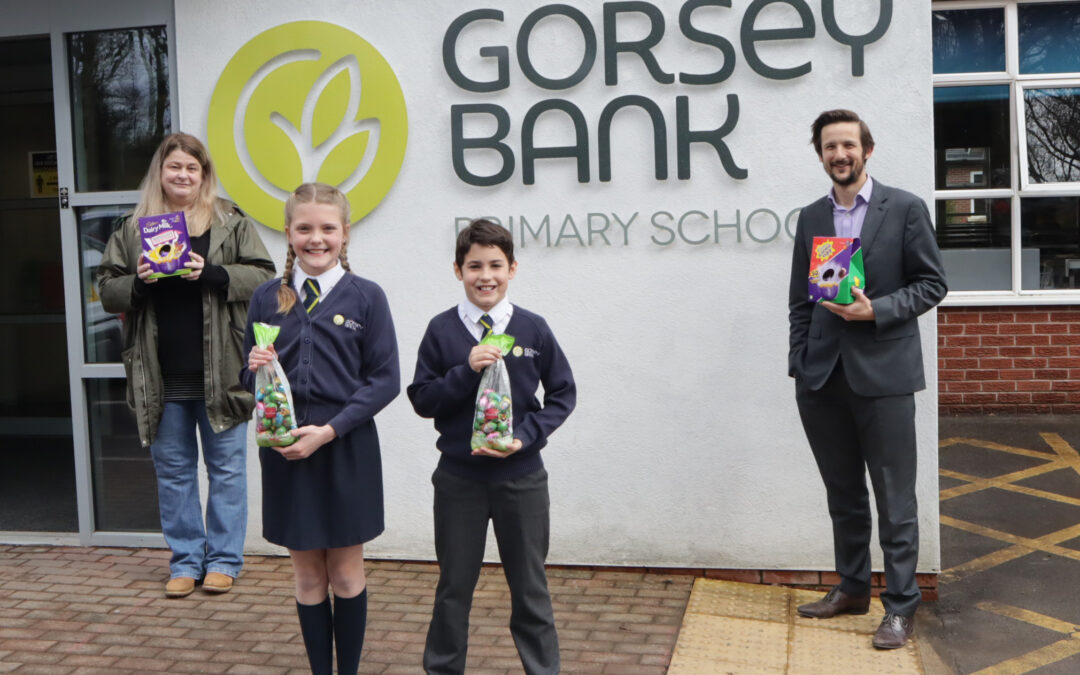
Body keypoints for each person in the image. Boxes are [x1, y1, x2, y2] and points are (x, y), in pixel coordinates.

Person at [788, 110, 948, 649]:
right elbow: (799, 302)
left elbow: (931, 285)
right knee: (844, 495)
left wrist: (875, 310)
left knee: (894, 499)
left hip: (884, 376)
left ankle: (901, 605)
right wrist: (800, 363)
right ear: (821, 155)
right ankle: (852, 587)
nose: (840, 154)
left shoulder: (903, 208)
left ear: (867, 150)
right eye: (830, 147)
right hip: (822, 379)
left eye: (849, 145)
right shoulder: (811, 217)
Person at [97, 132, 275, 598]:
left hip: (222, 370)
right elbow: (106, 287)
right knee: (173, 472)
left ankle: (223, 561)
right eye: (174, 166)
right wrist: (138, 281)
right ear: (161, 171)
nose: (183, 175)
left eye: (192, 168)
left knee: (227, 471)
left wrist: (212, 273)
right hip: (159, 374)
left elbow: (264, 277)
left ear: (204, 175)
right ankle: (185, 561)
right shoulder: (134, 228)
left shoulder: (229, 221)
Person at [243, 182, 399, 675]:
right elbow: (249, 378)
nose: (317, 238)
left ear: (345, 233)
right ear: (288, 233)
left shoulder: (367, 297)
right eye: (305, 228)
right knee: (308, 574)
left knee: (347, 571)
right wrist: (254, 367)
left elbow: (385, 380)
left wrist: (329, 431)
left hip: (346, 448)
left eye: (327, 228)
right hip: (287, 451)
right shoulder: (267, 299)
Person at [408, 219, 576, 675]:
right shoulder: (442, 330)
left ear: (513, 268)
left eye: (496, 265)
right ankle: (443, 668)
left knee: (530, 587)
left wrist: (526, 436)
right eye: (474, 265)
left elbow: (563, 395)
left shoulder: (533, 329)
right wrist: (465, 369)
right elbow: (422, 399)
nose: (486, 276)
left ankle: (542, 669)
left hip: (520, 478)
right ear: (458, 271)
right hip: (459, 479)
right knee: (454, 586)